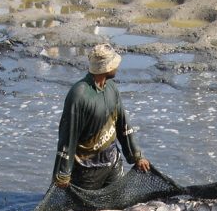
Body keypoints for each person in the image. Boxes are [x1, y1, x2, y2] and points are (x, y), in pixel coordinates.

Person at [52, 43, 151, 190]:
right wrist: (63, 173)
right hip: (87, 169)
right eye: (114, 64)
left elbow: (123, 124)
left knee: (118, 206)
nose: (117, 66)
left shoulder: (111, 88)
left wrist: (137, 156)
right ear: (106, 67)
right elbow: (68, 137)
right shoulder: (79, 95)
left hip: (112, 162)